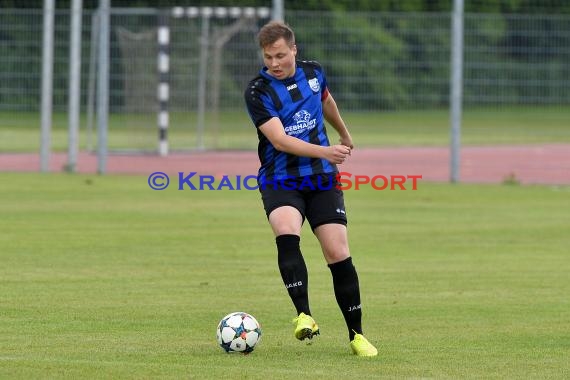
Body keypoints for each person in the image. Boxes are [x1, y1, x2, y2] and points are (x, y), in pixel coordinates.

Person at [244, 21, 378, 357]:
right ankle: (303, 315)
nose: (274, 63)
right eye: (268, 57)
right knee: (287, 230)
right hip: (281, 178)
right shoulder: (258, 91)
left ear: (294, 49)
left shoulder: (314, 73)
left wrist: (344, 135)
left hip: (321, 179)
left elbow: (326, 101)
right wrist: (327, 151)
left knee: (337, 252)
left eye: (280, 56)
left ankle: (357, 336)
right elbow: (279, 140)